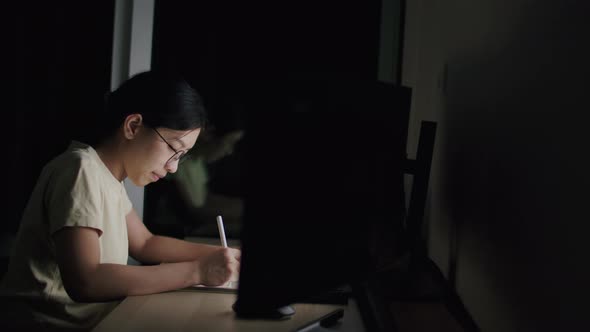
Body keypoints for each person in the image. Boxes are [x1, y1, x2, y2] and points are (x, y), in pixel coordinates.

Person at [0, 71, 241, 331]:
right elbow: (86, 281)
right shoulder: (80, 169)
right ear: (133, 126)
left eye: (182, 156)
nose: (173, 168)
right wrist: (197, 272)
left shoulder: (108, 177)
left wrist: (223, 256)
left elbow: (145, 243)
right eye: (173, 149)